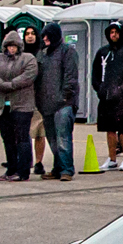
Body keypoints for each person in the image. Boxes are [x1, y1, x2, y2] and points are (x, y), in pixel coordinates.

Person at [0, 29, 39, 181]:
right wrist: (1, 84)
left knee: (22, 138)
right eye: (9, 46)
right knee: (8, 139)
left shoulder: (28, 58)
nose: (12, 48)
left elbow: (29, 76)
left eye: (15, 46)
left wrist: (10, 84)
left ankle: (23, 172)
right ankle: (11, 169)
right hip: (1, 106)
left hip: (22, 106)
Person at [33, 23, 78, 182]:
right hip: (46, 105)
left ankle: (67, 169)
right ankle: (57, 167)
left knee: (63, 138)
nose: (44, 39)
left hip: (63, 104)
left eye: (48, 36)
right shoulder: (42, 54)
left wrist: (64, 97)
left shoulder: (68, 52)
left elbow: (70, 77)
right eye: (43, 36)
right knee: (52, 139)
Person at [93, 22, 123, 170]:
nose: (114, 35)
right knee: (109, 129)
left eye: (116, 32)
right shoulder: (102, 52)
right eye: (111, 32)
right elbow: (95, 75)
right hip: (106, 98)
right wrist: (100, 90)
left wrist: (122, 89)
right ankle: (112, 160)